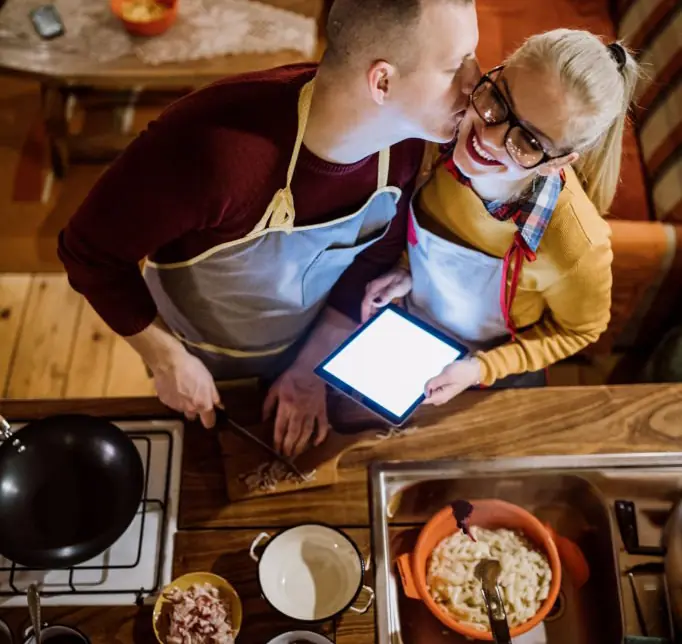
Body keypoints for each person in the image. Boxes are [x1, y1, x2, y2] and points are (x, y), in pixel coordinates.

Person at [57, 0, 480, 455]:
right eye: (456, 66)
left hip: (310, 338)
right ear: (383, 81)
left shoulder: (404, 143)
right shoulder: (215, 149)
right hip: (198, 350)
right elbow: (89, 252)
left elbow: (372, 257)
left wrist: (307, 368)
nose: (476, 86)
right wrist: (167, 359)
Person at [362, 29, 640, 405]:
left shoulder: (575, 243)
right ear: (493, 72)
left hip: (495, 380)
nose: (489, 139)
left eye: (528, 142)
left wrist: (481, 368)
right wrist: (407, 270)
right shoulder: (436, 141)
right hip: (415, 335)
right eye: (497, 101)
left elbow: (578, 331)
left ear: (556, 162)